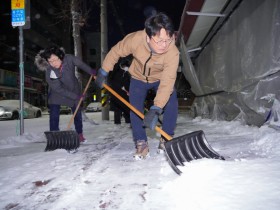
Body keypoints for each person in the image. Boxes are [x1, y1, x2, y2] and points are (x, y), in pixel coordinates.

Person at [95, 12, 179, 159]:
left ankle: (166, 138)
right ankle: (141, 143)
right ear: (148, 36)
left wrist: (156, 108)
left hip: (160, 79)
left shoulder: (172, 52)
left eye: (168, 40)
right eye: (159, 40)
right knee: (135, 109)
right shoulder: (135, 39)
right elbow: (116, 51)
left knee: (172, 100)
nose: (164, 45)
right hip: (138, 78)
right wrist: (104, 70)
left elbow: (168, 81)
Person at [34, 46, 96, 143]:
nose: (53, 63)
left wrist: (90, 71)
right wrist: (76, 96)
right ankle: (54, 136)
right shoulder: (50, 72)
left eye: (55, 60)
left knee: (77, 112)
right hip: (57, 93)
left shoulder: (69, 58)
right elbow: (59, 89)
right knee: (54, 112)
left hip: (73, 88)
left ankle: (79, 134)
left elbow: (81, 64)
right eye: (50, 61)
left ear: (61, 56)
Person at [109, 57, 131, 125]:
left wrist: (128, 90)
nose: (126, 68)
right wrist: (121, 87)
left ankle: (128, 122)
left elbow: (128, 83)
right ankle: (117, 124)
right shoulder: (116, 72)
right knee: (117, 110)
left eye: (127, 66)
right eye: (125, 66)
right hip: (116, 94)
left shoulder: (127, 74)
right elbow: (113, 82)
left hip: (125, 95)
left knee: (127, 108)